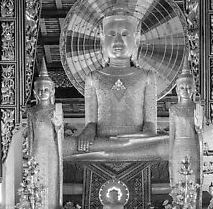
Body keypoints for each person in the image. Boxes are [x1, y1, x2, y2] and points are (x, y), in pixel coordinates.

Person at [63, 10, 168, 162]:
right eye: (111, 35)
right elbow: (91, 122)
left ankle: (114, 151)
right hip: (102, 142)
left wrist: (137, 138)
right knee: (64, 145)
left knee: (168, 144)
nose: (118, 41)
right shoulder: (93, 78)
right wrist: (87, 132)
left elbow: (150, 125)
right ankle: (117, 151)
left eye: (125, 35)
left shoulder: (146, 77)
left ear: (136, 39)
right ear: (102, 39)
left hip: (136, 142)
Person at [27, 58, 63, 209]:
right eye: (40, 90)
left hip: (52, 150)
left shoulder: (56, 109)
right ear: (35, 92)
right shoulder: (31, 111)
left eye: (46, 89)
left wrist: (58, 125)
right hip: (36, 149)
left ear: (52, 91)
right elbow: (30, 135)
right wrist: (28, 155)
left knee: (51, 180)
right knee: (37, 180)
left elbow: (60, 136)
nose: (43, 93)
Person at [168, 50, 203, 207]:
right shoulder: (174, 109)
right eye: (182, 88)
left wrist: (198, 125)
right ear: (177, 89)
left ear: (194, 89)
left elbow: (199, 133)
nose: (186, 91)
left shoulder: (197, 107)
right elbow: (172, 135)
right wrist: (169, 156)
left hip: (192, 146)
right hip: (178, 146)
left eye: (189, 88)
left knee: (192, 179)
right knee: (178, 179)